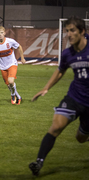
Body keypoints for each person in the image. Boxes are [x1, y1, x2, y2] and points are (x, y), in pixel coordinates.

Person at [29, 16, 89, 176]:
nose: (69, 34)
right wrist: (46, 88)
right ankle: (38, 163)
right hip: (74, 98)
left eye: (72, 30)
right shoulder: (68, 53)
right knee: (55, 127)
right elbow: (61, 70)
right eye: (67, 30)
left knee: (80, 138)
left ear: (82, 32)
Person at [0, 26, 26, 105]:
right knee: (9, 85)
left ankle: (12, 95)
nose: (0, 34)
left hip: (12, 64)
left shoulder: (10, 41)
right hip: (3, 67)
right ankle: (18, 97)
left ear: (4, 33)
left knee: (11, 81)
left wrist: (22, 58)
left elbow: (19, 47)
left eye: (2, 33)